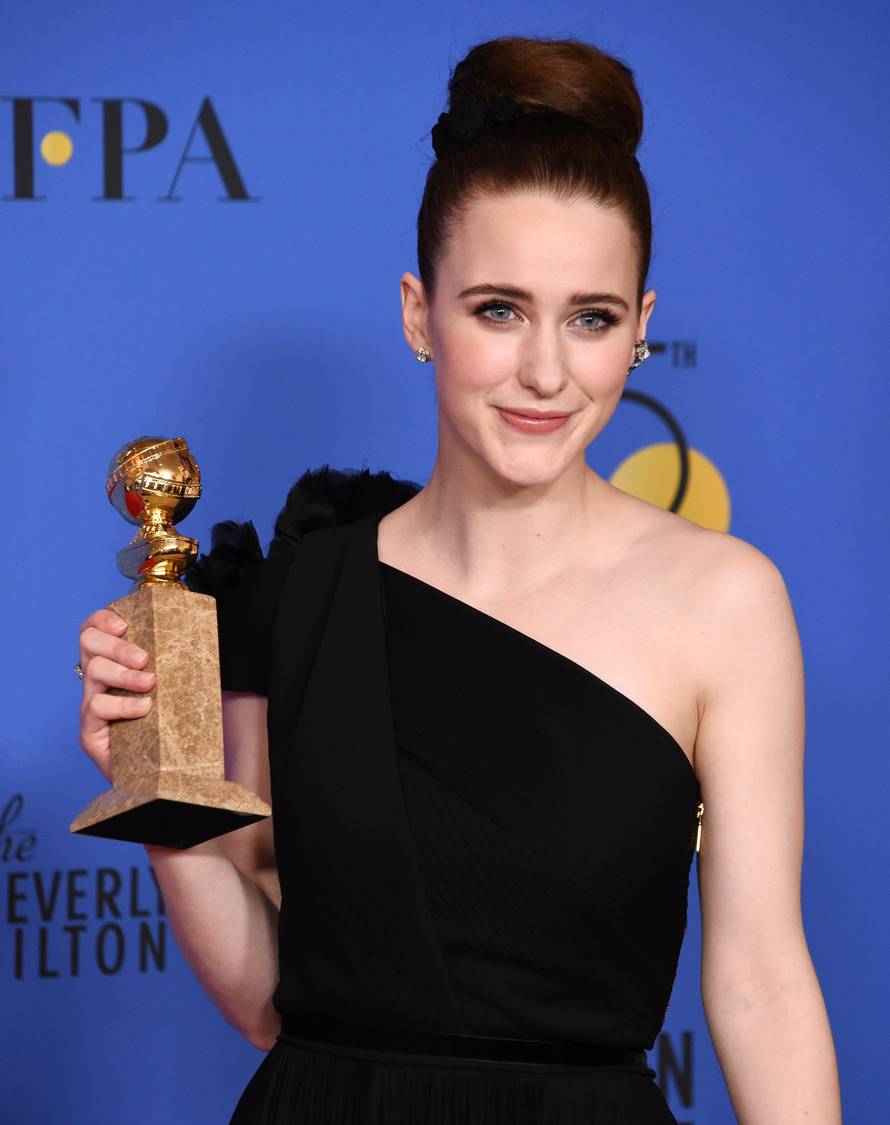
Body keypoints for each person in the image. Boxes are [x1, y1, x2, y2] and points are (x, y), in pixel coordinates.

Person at [76, 34, 842, 1125]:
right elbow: (268, 1007)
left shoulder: (725, 603)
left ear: (640, 330)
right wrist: (157, 802)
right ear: (416, 313)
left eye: (590, 318)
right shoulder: (303, 596)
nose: (545, 371)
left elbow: (761, 981)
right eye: (498, 309)